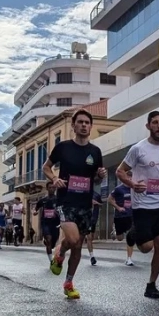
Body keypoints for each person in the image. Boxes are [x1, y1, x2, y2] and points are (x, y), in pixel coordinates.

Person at [115, 111, 159, 300]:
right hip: (142, 206)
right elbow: (120, 172)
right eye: (155, 122)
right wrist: (132, 185)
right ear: (148, 126)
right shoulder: (138, 149)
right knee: (146, 247)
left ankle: (151, 285)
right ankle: (134, 232)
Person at [44, 109, 106, 299]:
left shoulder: (95, 152)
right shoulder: (63, 147)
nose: (84, 125)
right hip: (65, 201)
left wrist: (99, 176)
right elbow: (46, 167)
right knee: (71, 239)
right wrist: (54, 179)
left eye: (87, 123)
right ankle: (60, 252)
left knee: (78, 245)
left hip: (85, 204)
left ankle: (69, 283)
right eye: (80, 122)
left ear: (91, 126)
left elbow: (95, 179)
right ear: (73, 125)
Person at [109, 182, 135, 266]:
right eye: (129, 177)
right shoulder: (118, 189)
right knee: (120, 238)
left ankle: (129, 259)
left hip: (131, 215)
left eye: (132, 178)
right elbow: (109, 199)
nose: (130, 180)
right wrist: (118, 208)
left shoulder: (134, 188)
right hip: (120, 216)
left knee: (130, 236)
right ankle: (116, 232)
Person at [34, 188, 61, 261]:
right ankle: (51, 261)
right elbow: (36, 208)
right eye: (50, 188)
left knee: (53, 244)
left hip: (55, 223)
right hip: (45, 223)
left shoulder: (58, 199)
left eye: (53, 188)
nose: (52, 189)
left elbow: (63, 208)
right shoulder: (43, 200)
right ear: (47, 189)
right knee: (49, 239)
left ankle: (47, 242)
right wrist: (35, 211)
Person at [86, 190, 104, 265]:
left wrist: (97, 203)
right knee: (89, 238)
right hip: (87, 218)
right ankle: (92, 257)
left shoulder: (97, 194)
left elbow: (102, 205)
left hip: (94, 219)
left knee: (92, 237)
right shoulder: (85, 193)